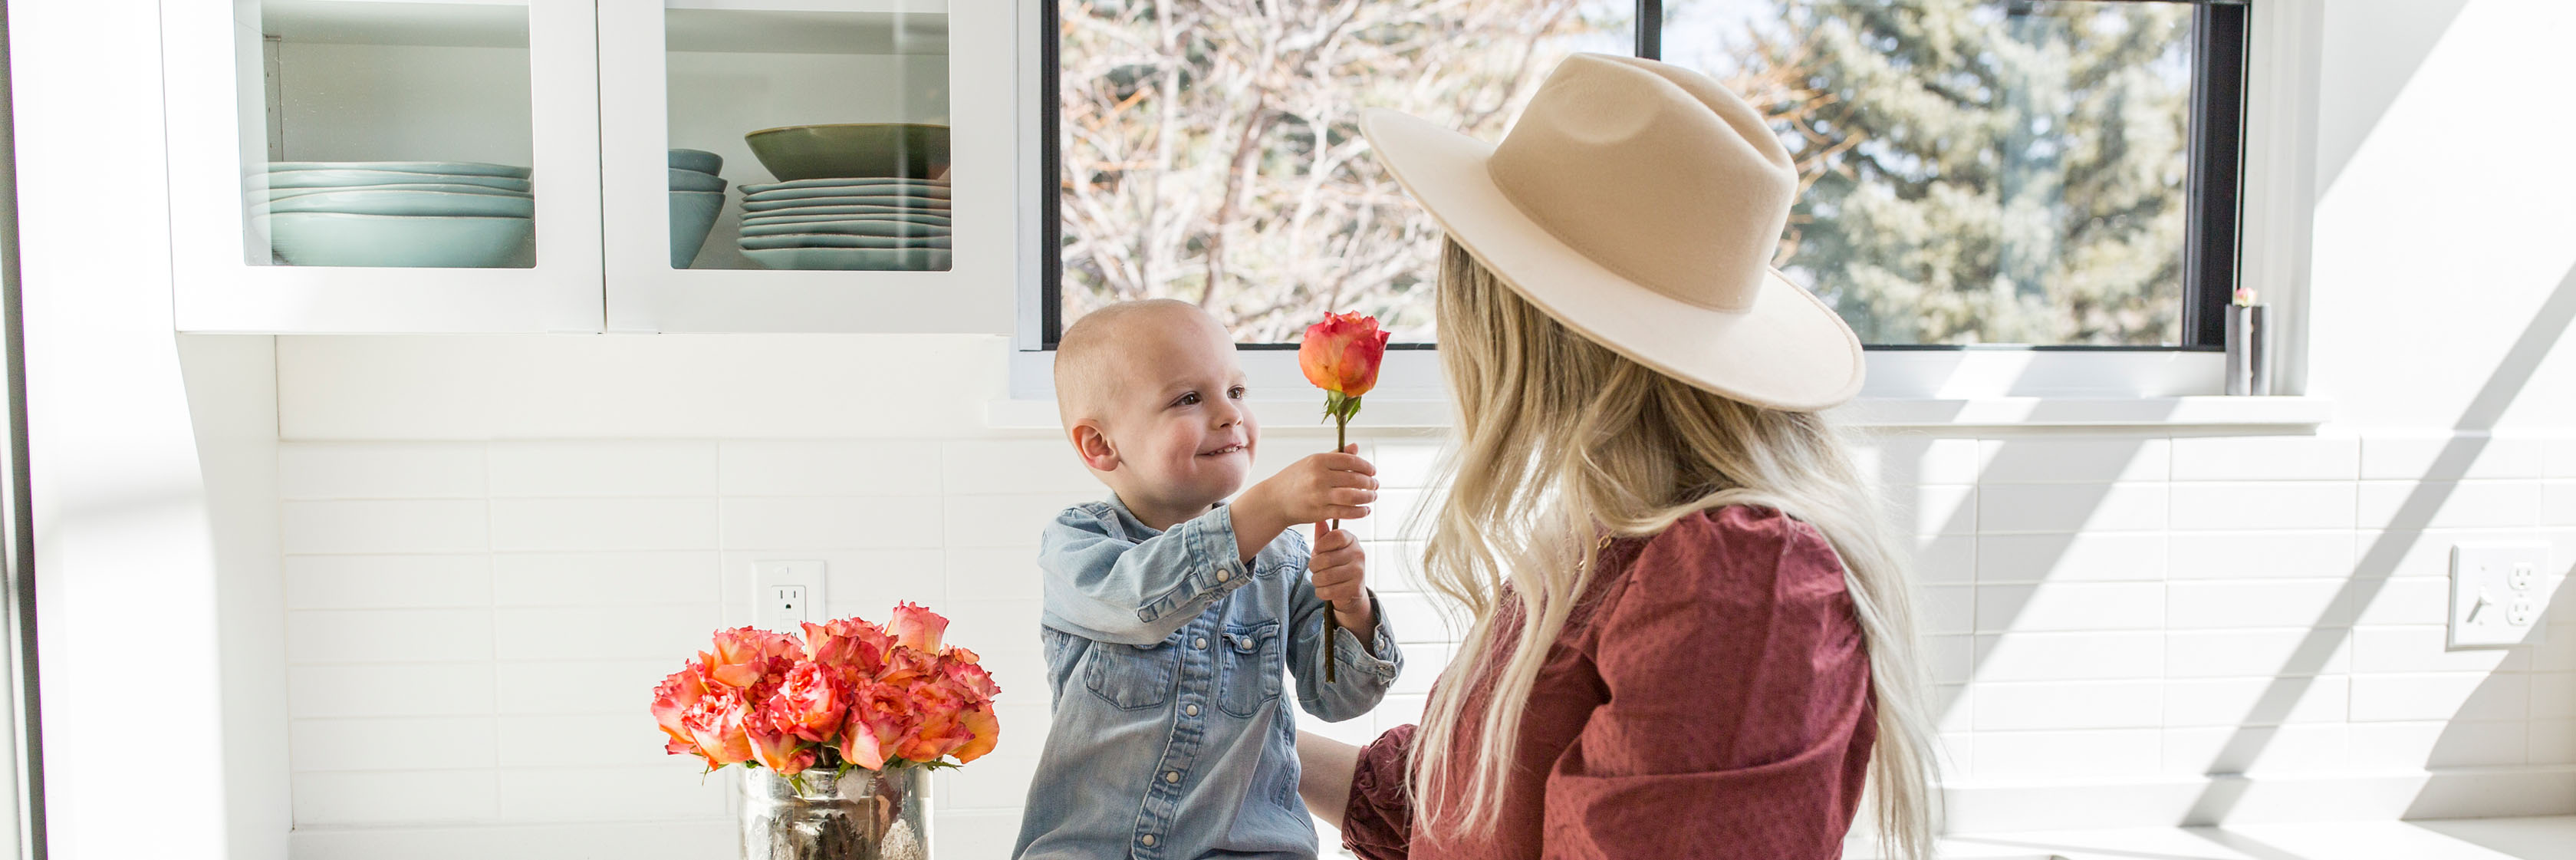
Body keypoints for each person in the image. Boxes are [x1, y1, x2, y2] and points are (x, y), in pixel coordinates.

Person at [1292, 54, 1939, 860]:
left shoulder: (1738, 579)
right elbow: (1454, 803)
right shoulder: (1608, 535)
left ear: (1519, 325)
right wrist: (1229, 736)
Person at [1016, 298, 1408, 859]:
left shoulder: (1284, 554)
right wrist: (1268, 504)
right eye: (1188, 398)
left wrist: (1351, 609)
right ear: (1100, 446)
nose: (1229, 414)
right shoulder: (1077, 545)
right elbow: (1139, 600)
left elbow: (1339, 699)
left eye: (1237, 391)